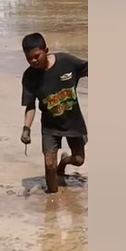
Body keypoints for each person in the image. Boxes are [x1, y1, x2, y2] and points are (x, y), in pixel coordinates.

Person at [19, 33, 89, 194]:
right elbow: (30, 106)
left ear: (46, 50)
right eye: (29, 58)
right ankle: (52, 202)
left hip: (73, 122)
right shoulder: (29, 76)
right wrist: (26, 129)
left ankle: (64, 161)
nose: (33, 61)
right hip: (50, 126)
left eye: (37, 56)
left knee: (79, 160)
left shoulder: (66, 62)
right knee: (49, 164)